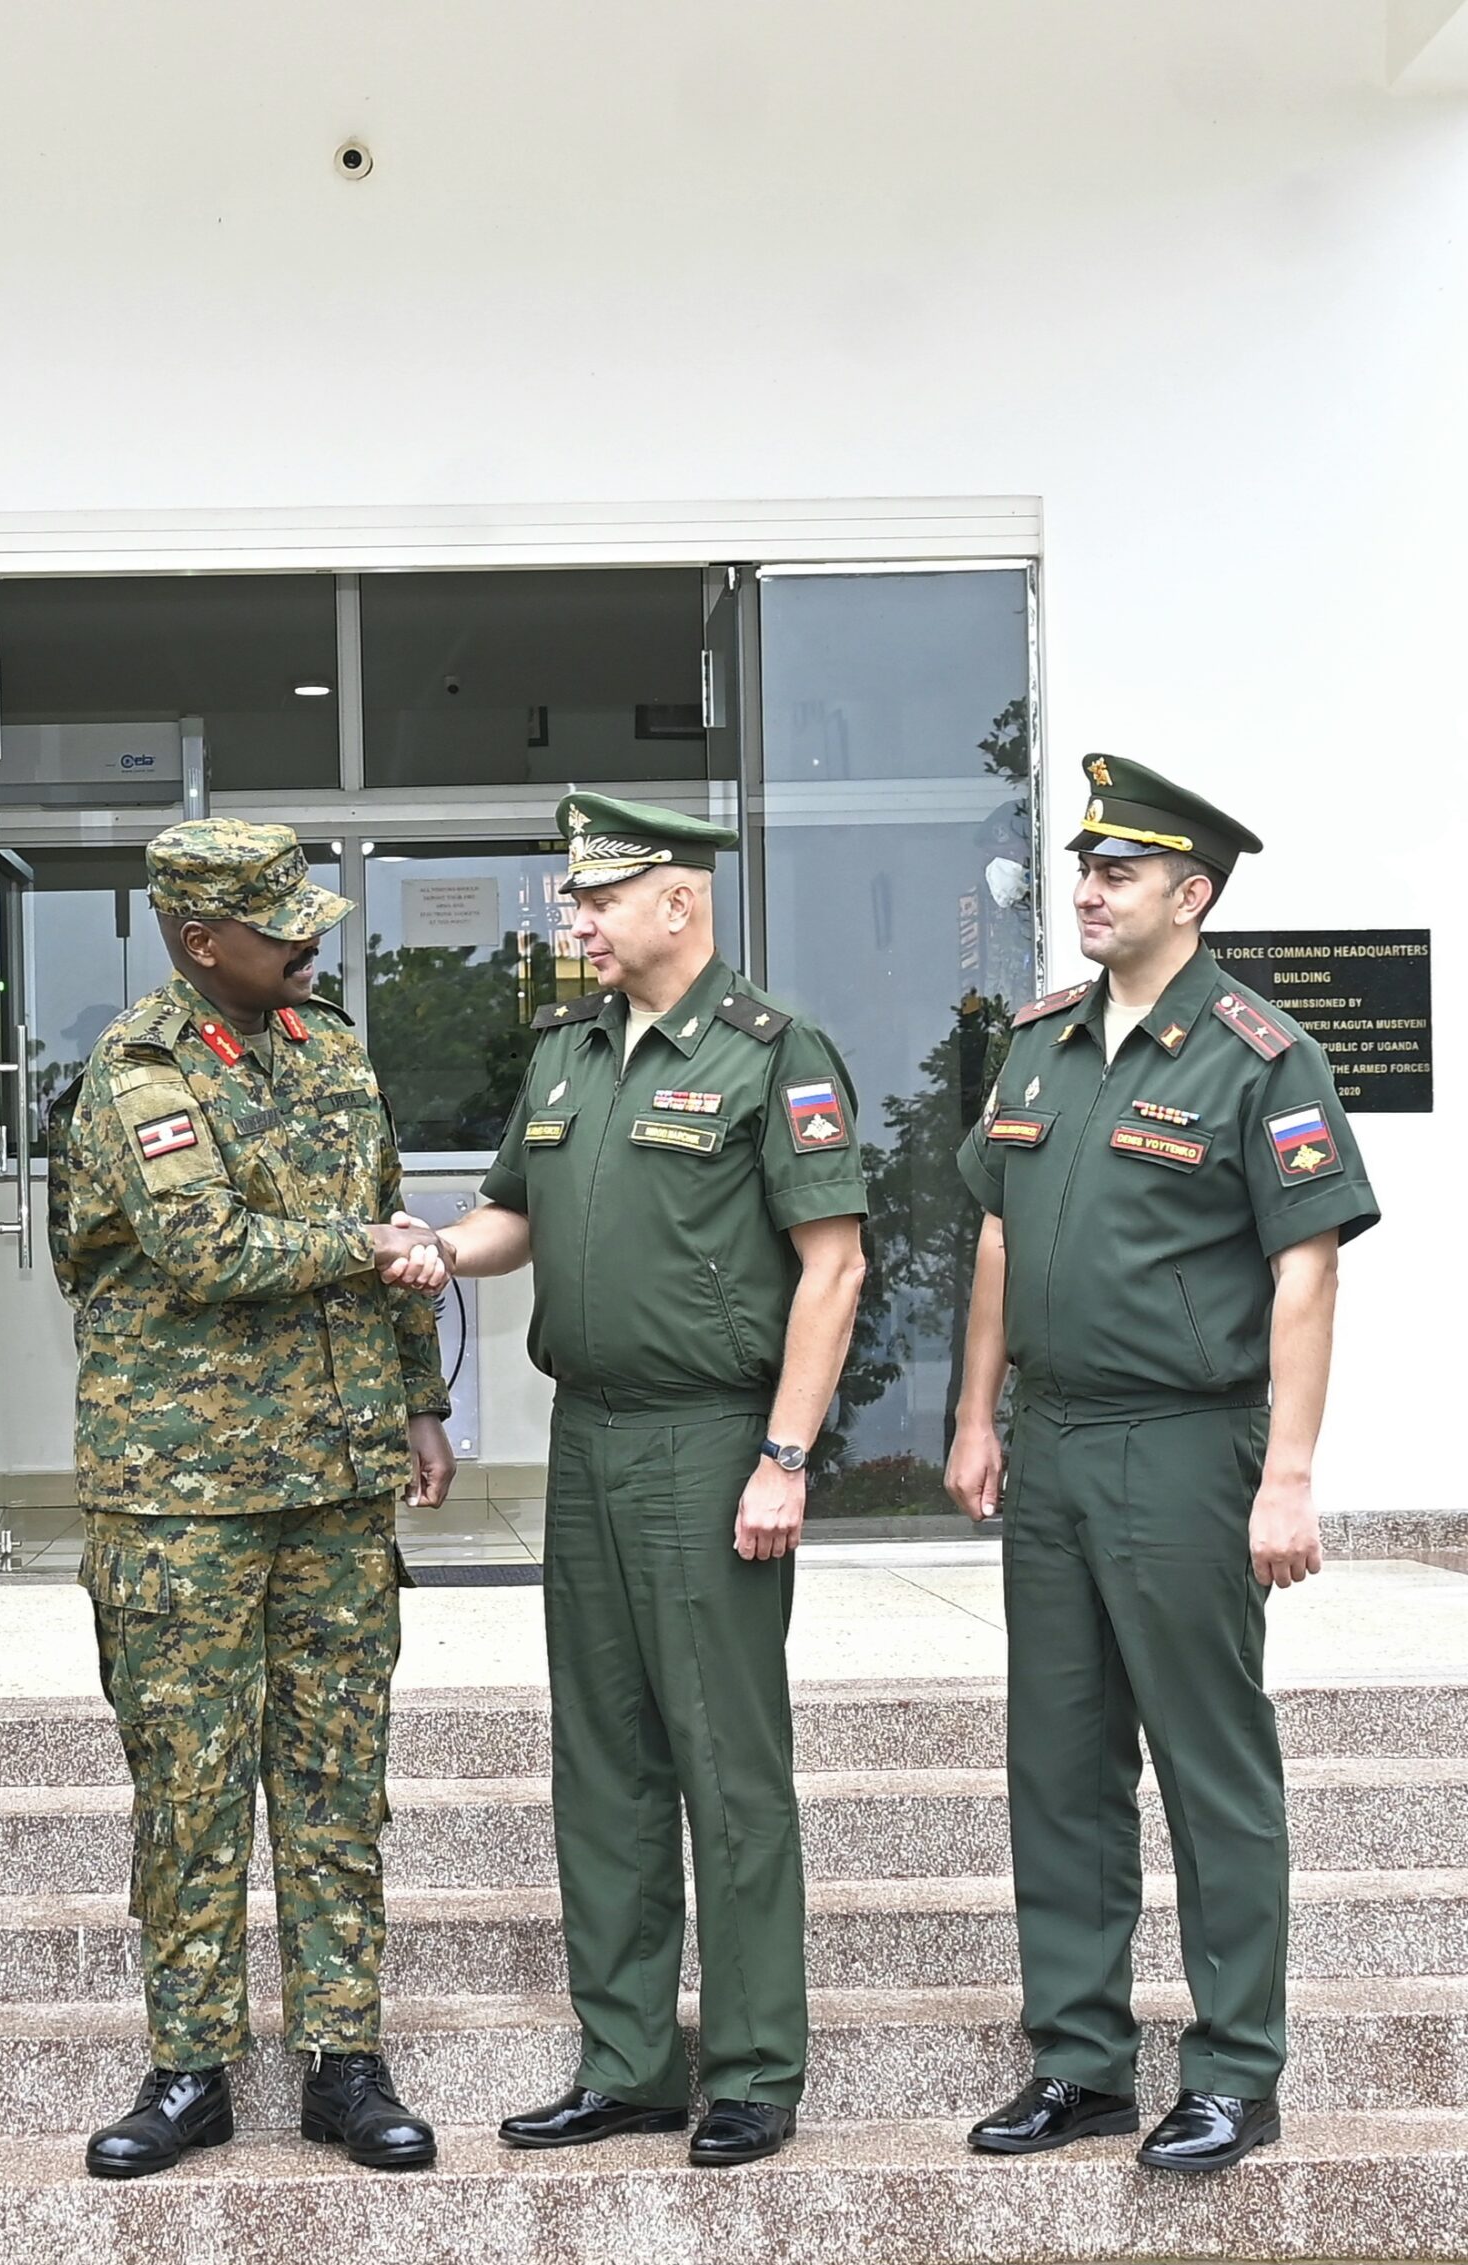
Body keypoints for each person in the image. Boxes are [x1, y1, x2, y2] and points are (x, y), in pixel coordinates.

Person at [389, 793, 868, 2169]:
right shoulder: (567, 1055)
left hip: (713, 1440)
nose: (577, 916)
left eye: (602, 895)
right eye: (572, 896)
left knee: (725, 1756)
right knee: (602, 1759)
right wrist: (437, 1250)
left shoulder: (775, 1053)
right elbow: (511, 1216)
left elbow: (832, 1265)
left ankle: (758, 2064)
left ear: (682, 901)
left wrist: (786, 1453)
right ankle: (629, 2059)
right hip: (590, 1438)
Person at [946, 756, 1379, 2174]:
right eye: (1082, 867)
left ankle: (1236, 2069)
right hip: (1056, 1441)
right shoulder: (1043, 1038)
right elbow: (1000, 1235)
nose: (1086, 888)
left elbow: (1305, 1272)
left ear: (1190, 894)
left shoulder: (1260, 1053)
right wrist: (975, 1412)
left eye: (1118, 872)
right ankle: (1080, 2061)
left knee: (1208, 1764)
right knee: (1060, 1765)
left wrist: (1289, 1473)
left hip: (1188, 1445)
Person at [46, 820, 455, 2181]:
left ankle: (346, 2057)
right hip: (185, 1495)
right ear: (198, 936)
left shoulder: (331, 1046)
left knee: (341, 1773)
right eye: (281, 924)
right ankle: (190, 2067)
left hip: (336, 1480)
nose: (310, 940)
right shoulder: (137, 1067)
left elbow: (384, 1208)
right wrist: (371, 1247)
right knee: (194, 1784)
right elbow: (206, 1244)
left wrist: (419, 1403)